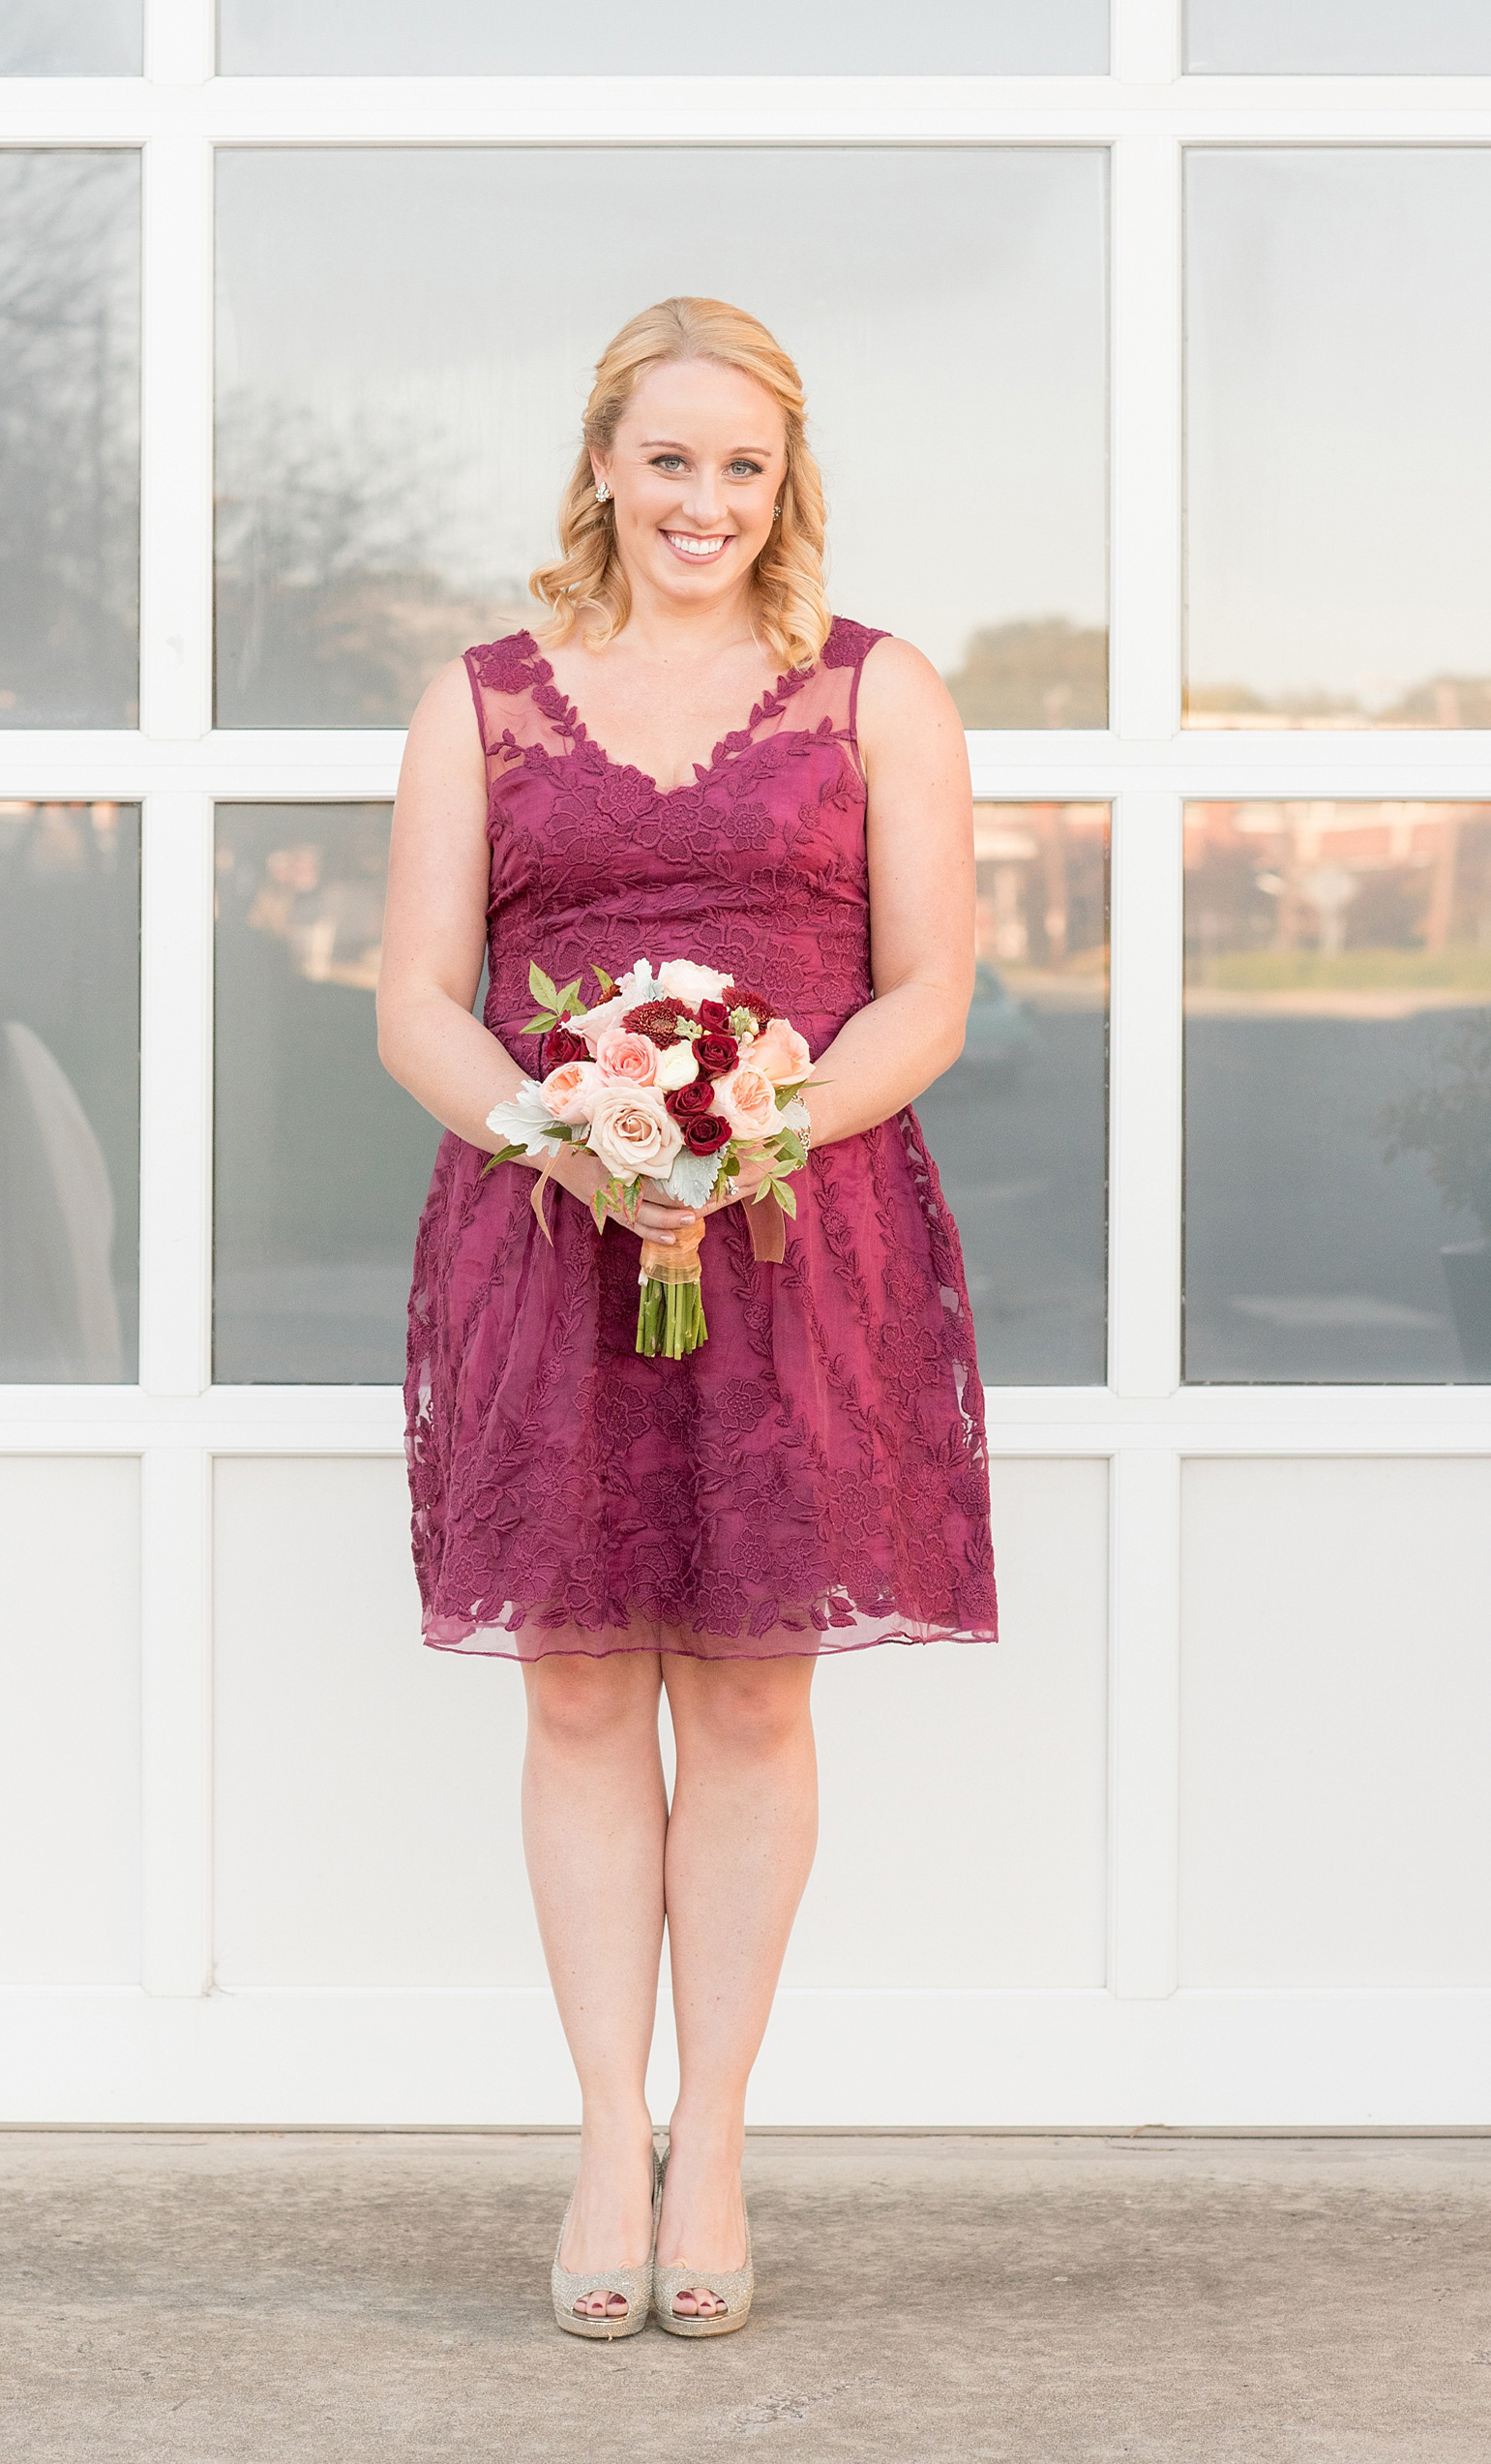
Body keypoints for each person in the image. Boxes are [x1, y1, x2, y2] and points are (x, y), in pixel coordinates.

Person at [377, 296, 996, 2339]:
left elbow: (926, 991)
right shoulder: (479, 704)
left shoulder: (877, 692)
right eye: (669, 460)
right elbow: (413, 1000)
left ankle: (709, 2141)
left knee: (746, 1691)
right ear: (602, 467)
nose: (703, 500)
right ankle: (593, 2136)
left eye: (742, 464)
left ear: (784, 481)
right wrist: (563, 1136)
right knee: (572, 1689)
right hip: (550, 1240)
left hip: (802, 1240)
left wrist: (758, 1125)